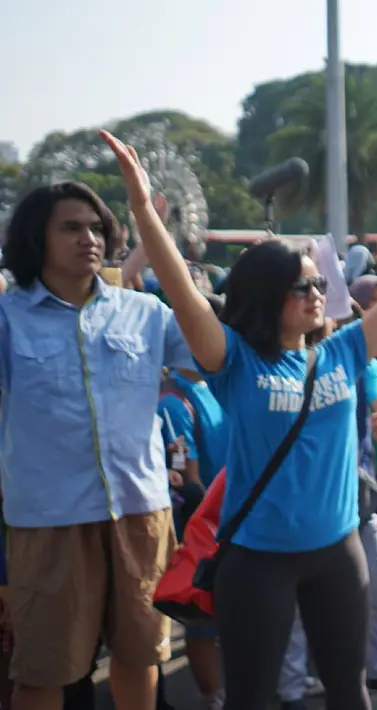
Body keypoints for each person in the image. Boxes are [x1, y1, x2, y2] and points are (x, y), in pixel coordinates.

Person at [100, 129, 377, 710]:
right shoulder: (235, 361)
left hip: (337, 551)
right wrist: (141, 212)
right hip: (257, 563)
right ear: (266, 293)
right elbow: (183, 293)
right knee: (253, 699)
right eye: (300, 284)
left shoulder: (344, 350)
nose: (315, 292)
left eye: (318, 282)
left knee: (349, 694)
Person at [0, 181, 192, 710]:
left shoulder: (145, 313)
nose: (88, 237)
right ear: (34, 239)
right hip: (48, 522)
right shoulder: (7, 318)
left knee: (141, 657)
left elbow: (213, 357)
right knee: (42, 674)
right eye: (69, 227)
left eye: (95, 227)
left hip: (141, 514)